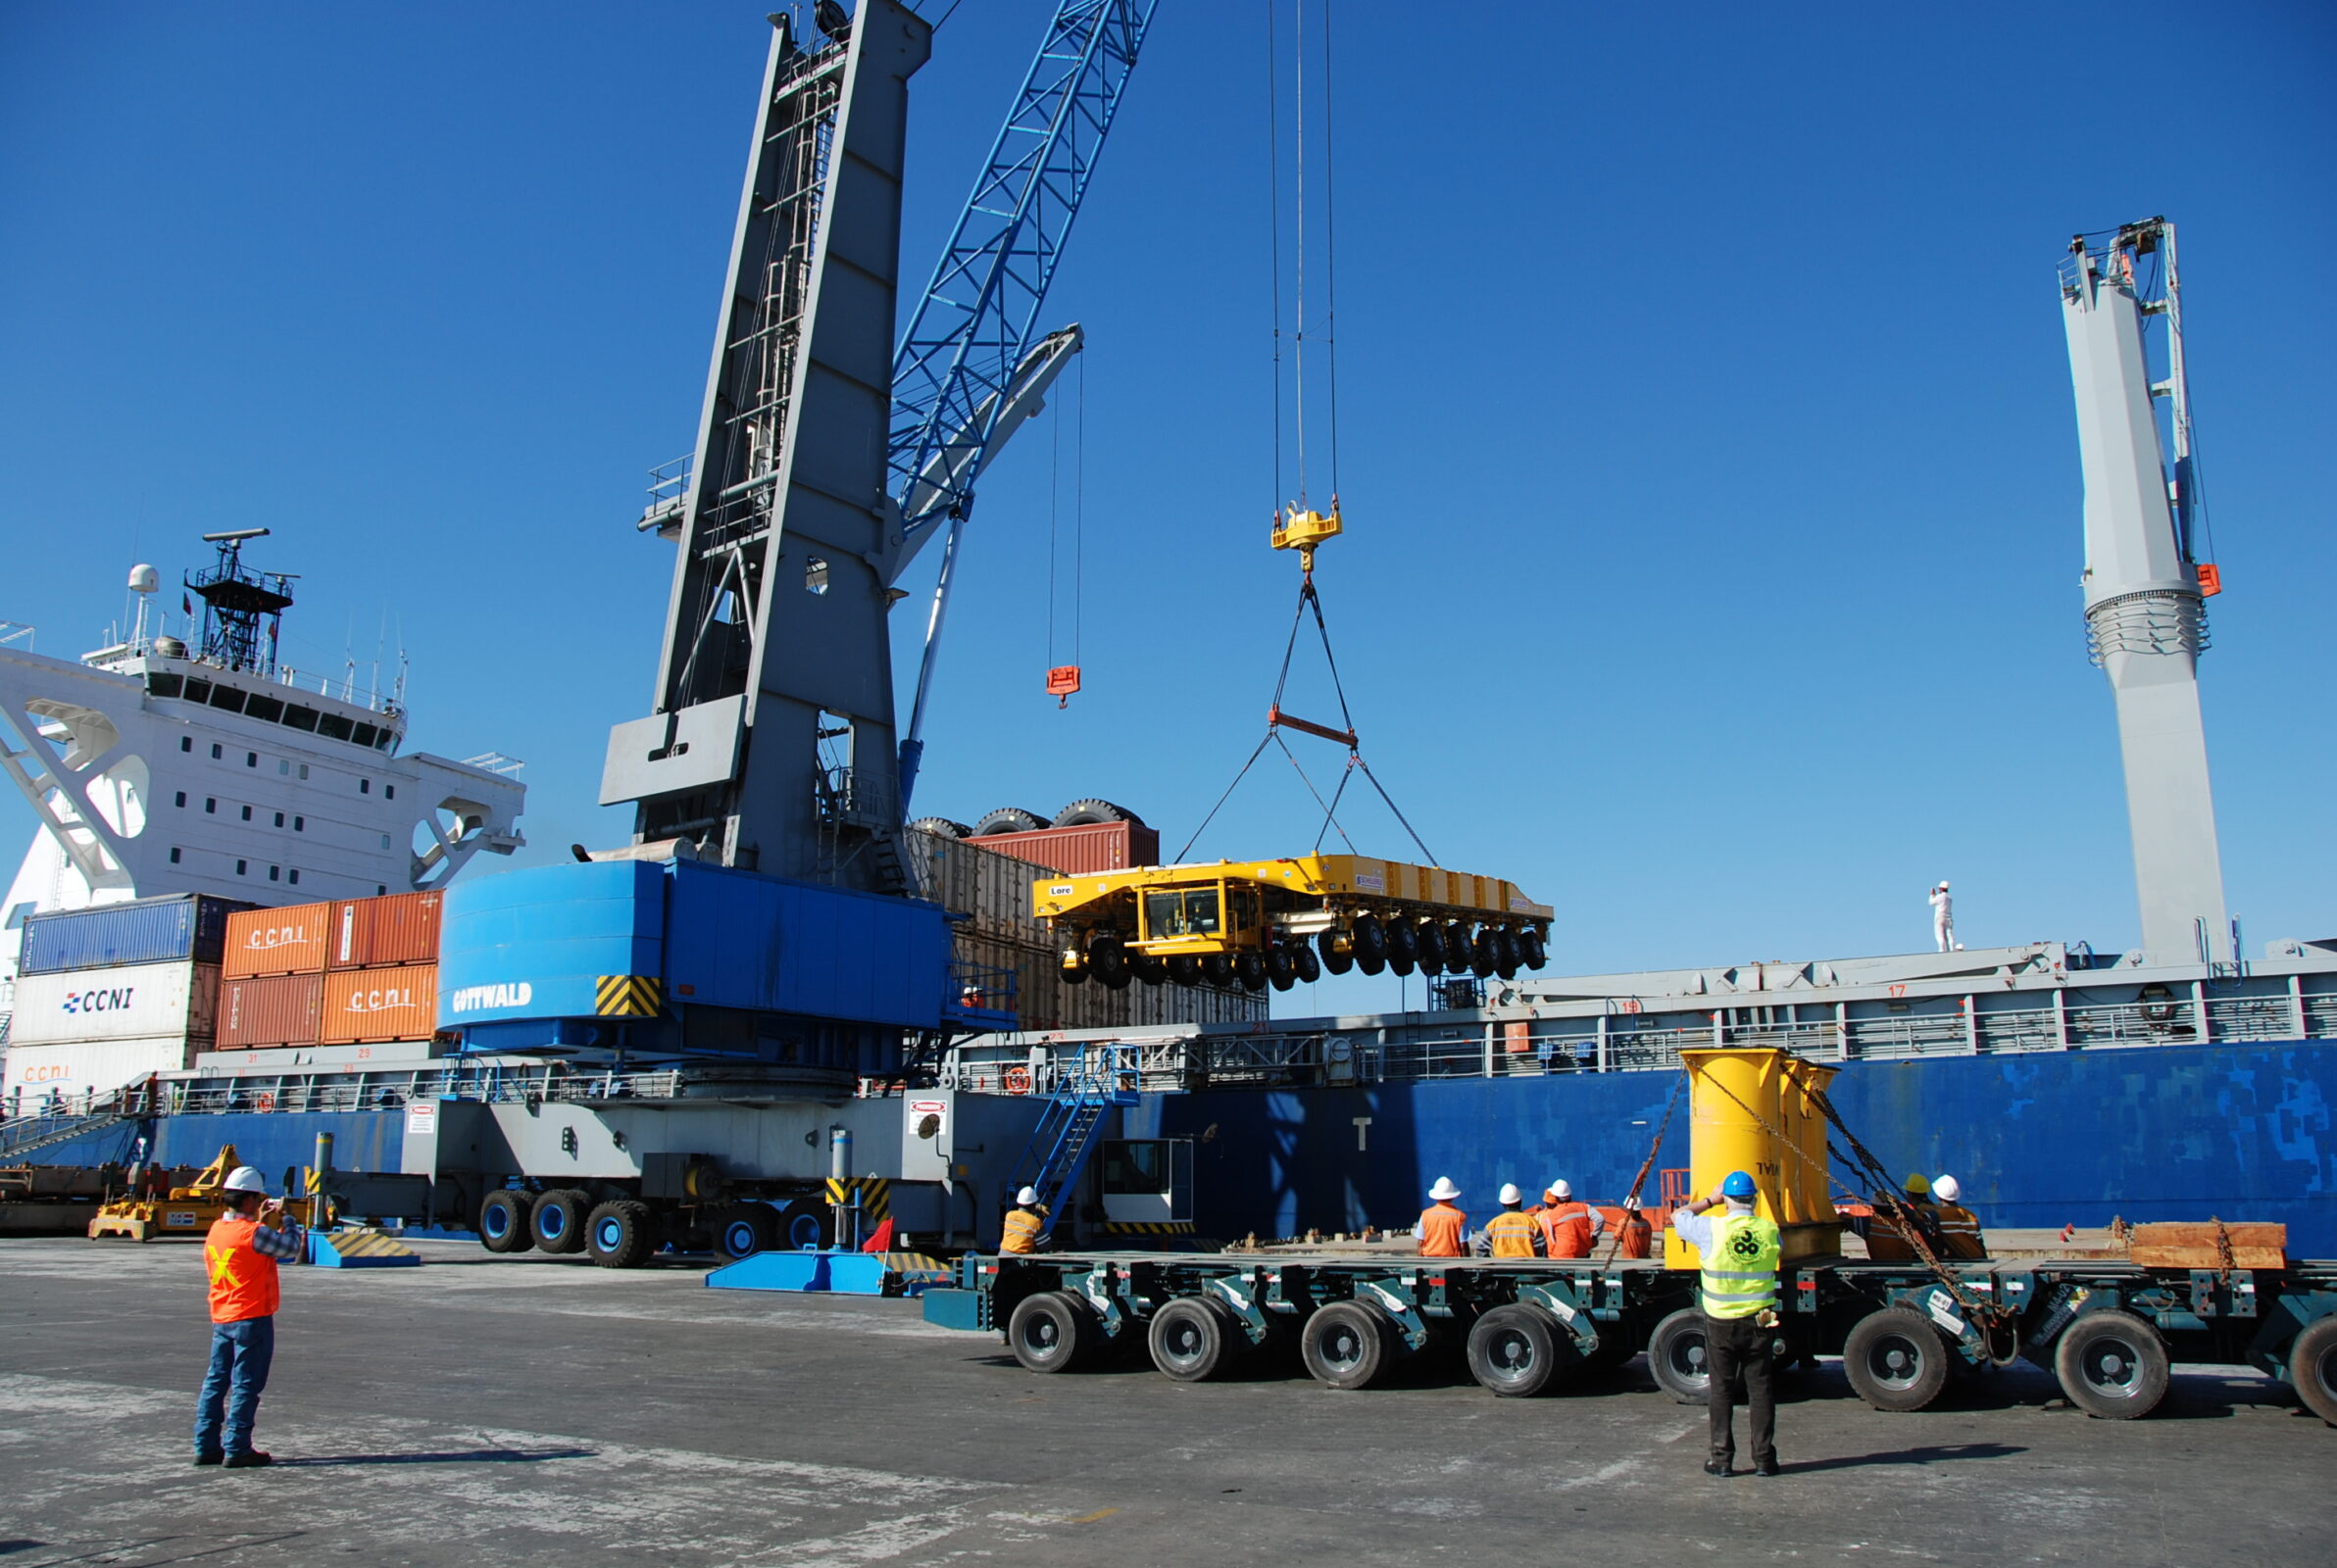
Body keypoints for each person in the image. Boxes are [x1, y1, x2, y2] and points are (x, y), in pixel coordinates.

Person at [1673, 1170, 1782, 1478]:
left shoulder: (1711, 1228)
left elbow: (1677, 1215)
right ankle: (1764, 1460)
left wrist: (1709, 1199)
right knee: (1760, 1390)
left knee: (1721, 1391)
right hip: (1760, 1322)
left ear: (1727, 1201)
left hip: (1721, 1322)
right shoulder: (1770, 1230)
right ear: (1755, 1199)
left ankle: (1721, 1460)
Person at [194, 1164, 303, 1470]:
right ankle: (238, 1447)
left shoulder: (217, 1229)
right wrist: (288, 1218)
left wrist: (265, 1220)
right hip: (251, 1316)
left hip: (222, 1316)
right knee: (245, 1384)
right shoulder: (253, 1234)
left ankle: (205, 1445)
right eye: (256, 1200)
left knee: (215, 1382)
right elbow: (291, 1248)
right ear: (248, 1201)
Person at [1534, 1178, 1608, 1259]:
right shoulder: (1584, 1207)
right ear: (1570, 1195)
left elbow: (1552, 1239)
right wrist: (1594, 1237)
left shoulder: (1553, 1214)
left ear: (1556, 1198)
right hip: (1582, 1253)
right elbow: (1600, 1219)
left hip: (1562, 1256)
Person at [1929, 1174, 1986, 1258]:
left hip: (1960, 1265)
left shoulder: (1935, 1216)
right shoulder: (1970, 1215)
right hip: (1978, 1261)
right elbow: (1980, 1244)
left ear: (1938, 1197)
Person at [1414, 1177, 1468, 1257]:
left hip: (1429, 1259)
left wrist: (1420, 1264)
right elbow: (1463, 1245)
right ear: (1453, 1196)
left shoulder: (1425, 1214)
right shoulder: (1460, 1216)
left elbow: (1420, 1242)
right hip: (1453, 1262)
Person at [1483, 1183, 1542, 1257]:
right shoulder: (1532, 1223)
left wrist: (1491, 1267)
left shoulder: (1493, 1224)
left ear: (1503, 1204)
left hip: (1501, 1267)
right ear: (1520, 1201)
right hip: (1528, 1268)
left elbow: (1481, 1249)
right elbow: (1541, 1249)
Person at [999, 1185, 1047, 1254]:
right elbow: (1045, 1247)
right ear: (1034, 1204)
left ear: (1018, 1202)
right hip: (1021, 1261)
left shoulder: (1009, 1216)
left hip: (1002, 1256)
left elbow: (1024, 1214)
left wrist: (1036, 1207)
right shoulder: (1035, 1222)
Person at [1929, 881, 1961, 953]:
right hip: (1948, 917)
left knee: (1940, 935)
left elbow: (1931, 902)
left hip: (1940, 917)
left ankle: (1942, 950)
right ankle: (1952, 949)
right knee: (1949, 934)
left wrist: (1932, 895)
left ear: (1941, 888)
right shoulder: (1949, 898)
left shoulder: (1940, 896)